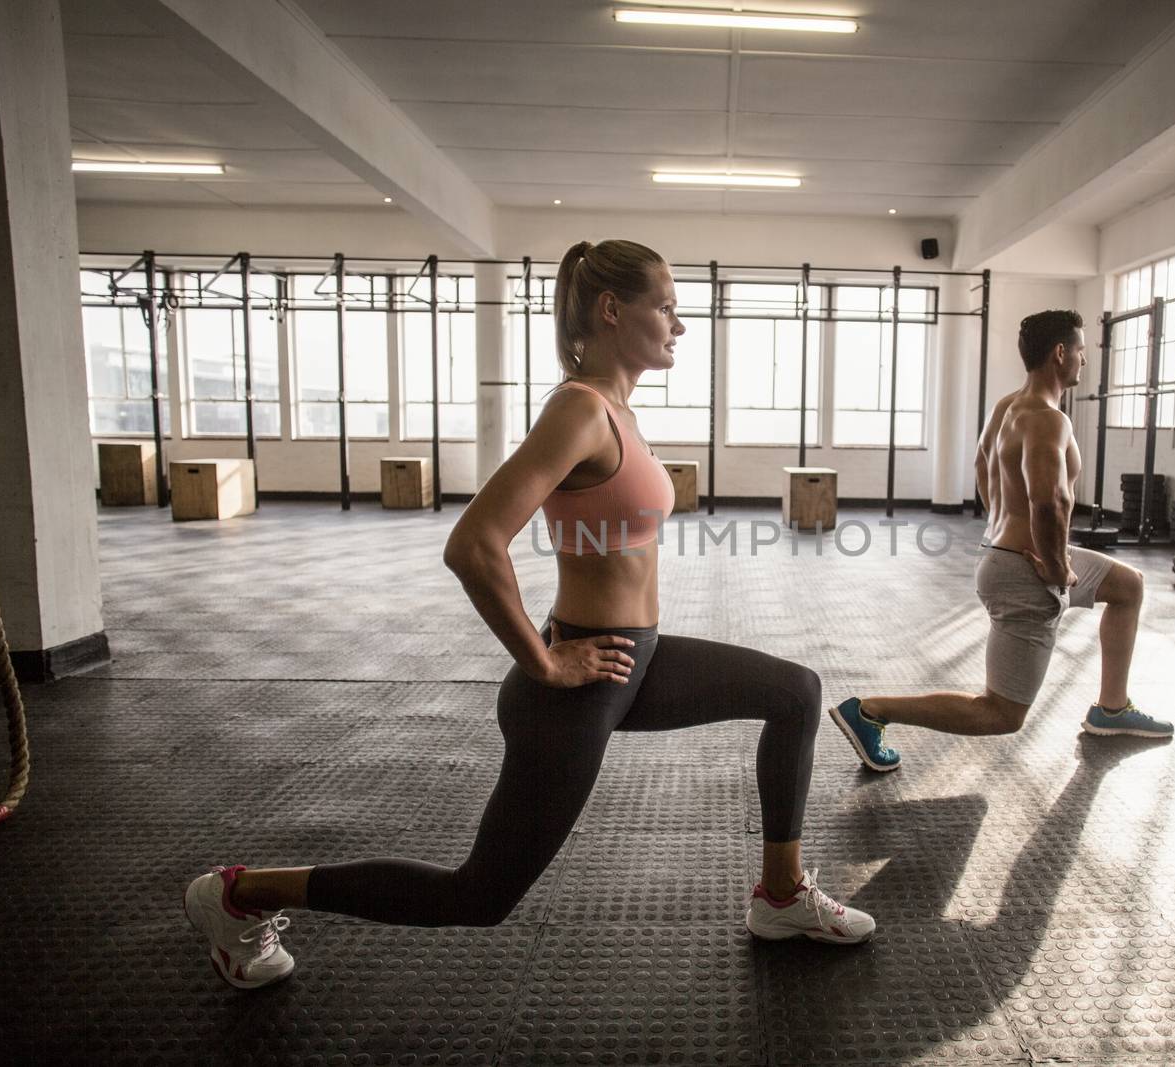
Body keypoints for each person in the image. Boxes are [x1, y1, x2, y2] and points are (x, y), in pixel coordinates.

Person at [184, 239, 873, 990]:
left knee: (794, 691)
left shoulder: (618, 410)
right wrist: (543, 661)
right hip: (582, 679)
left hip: (633, 660)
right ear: (613, 310)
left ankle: (779, 895)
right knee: (477, 895)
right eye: (666, 306)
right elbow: (474, 543)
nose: (679, 324)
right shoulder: (579, 410)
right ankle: (238, 893)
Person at [828, 309, 1172, 773]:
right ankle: (871, 710)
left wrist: (1002, 526)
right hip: (1029, 569)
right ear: (1060, 353)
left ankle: (1112, 707)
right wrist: (1053, 566)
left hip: (1012, 553)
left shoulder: (1008, 405)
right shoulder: (1049, 420)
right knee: (1001, 714)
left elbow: (980, 466)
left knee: (1127, 585)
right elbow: (1049, 502)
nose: (1084, 362)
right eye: (1082, 352)